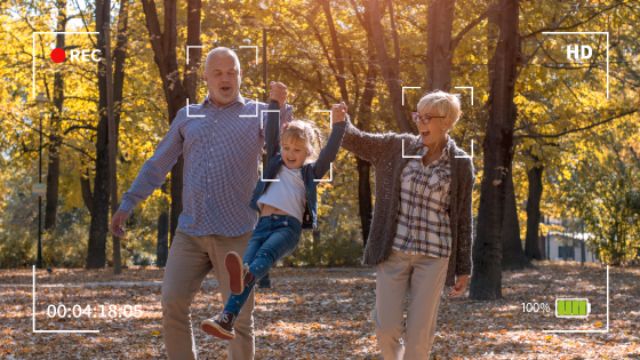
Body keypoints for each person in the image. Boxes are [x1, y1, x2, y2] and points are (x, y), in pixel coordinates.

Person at [110, 47, 292, 360]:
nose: (226, 78)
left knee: (239, 319)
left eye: (232, 71)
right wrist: (128, 203)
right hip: (191, 232)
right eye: (218, 72)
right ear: (206, 78)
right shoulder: (188, 116)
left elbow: (284, 145)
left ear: (240, 75)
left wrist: (281, 106)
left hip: (238, 234)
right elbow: (158, 164)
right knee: (172, 303)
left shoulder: (259, 113)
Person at [340, 91, 475, 359]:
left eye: (428, 117)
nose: (420, 122)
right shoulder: (398, 147)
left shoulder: (460, 164)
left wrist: (463, 267)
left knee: (419, 335)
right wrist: (341, 121)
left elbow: (462, 217)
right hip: (395, 252)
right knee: (386, 328)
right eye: (418, 116)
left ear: (446, 122)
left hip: (434, 256)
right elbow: (358, 141)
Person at [200, 93, 346, 340]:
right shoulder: (274, 164)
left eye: (297, 150)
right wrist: (275, 104)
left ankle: (241, 287)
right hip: (262, 224)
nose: (290, 153)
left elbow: (329, 154)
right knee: (241, 277)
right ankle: (226, 319)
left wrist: (339, 124)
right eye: (287, 148)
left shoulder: (310, 172)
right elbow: (270, 135)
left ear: (308, 151)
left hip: (287, 228)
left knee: (262, 259)